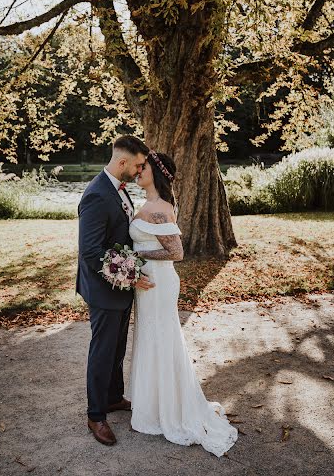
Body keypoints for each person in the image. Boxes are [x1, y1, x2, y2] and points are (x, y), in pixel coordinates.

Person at [126, 150, 238, 457]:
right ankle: (153, 404)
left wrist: (136, 258)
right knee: (150, 338)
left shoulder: (160, 207)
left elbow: (176, 252)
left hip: (159, 283)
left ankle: (169, 410)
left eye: (143, 167)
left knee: (161, 338)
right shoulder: (148, 204)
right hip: (148, 282)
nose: (138, 171)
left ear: (156, 172)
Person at [76, 135, 154, 446]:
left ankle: (112, 397)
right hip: (103, 288)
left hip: (120, 286)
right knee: (103, 351)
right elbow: (91, 251)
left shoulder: (119, 190)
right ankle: (96, 415)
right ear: (122, 162)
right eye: (137, 165)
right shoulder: (96, 195)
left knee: (118, 347)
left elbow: (120, 236)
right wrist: (131, 276)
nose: (139, 171)